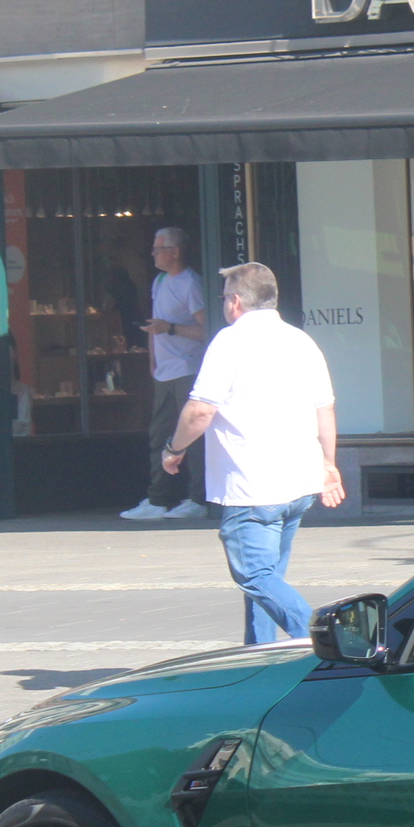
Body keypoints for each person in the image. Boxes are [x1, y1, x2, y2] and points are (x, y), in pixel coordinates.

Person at [159, 262, 344, 645]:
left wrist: (173, 449)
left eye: (225, 297)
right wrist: (328, 465)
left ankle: (333, 641)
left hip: (251, 486)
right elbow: (324, 410)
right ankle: (259, 657)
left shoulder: (230, 341)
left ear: (237, 301)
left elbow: (200, 411)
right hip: (298, 484)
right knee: (268, 580)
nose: (225, 304)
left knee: (255, 576)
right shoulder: (301, 341)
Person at [122, 226, 208, 520]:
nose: (154, 254)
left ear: (175, 252)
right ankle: (157, 499)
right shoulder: (159, 281)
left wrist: (169, 329)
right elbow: (154, 323)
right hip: (165, 372)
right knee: (159, 434)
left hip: (187, 369)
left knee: (192, 435)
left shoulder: (191, 284)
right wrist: (152, 357)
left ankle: (198, 499)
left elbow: (205, 329)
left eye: (159, 249)